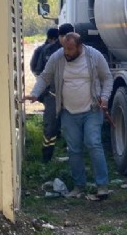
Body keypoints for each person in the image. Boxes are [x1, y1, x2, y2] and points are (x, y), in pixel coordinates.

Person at [24, 32, 113, 198]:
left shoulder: (94, 56)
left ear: (80, 47)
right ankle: (79, 186)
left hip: (92, 110)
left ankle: (102, 186)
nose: (66, 52)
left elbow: (107, 78)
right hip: (68, 111)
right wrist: (35, 94)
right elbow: (45, 77)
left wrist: (105, 98)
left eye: (70, 49)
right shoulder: (58, 57)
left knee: (93, 143)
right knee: (74, 149)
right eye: (65, 48)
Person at [30, 27, 60, 162]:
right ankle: (48, 155)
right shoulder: (48, 51)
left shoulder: (42, 50)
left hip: (48, 93)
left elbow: (35, 69)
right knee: (53, 124)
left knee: (50, 124)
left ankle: (47, 156)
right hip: (51, 93)